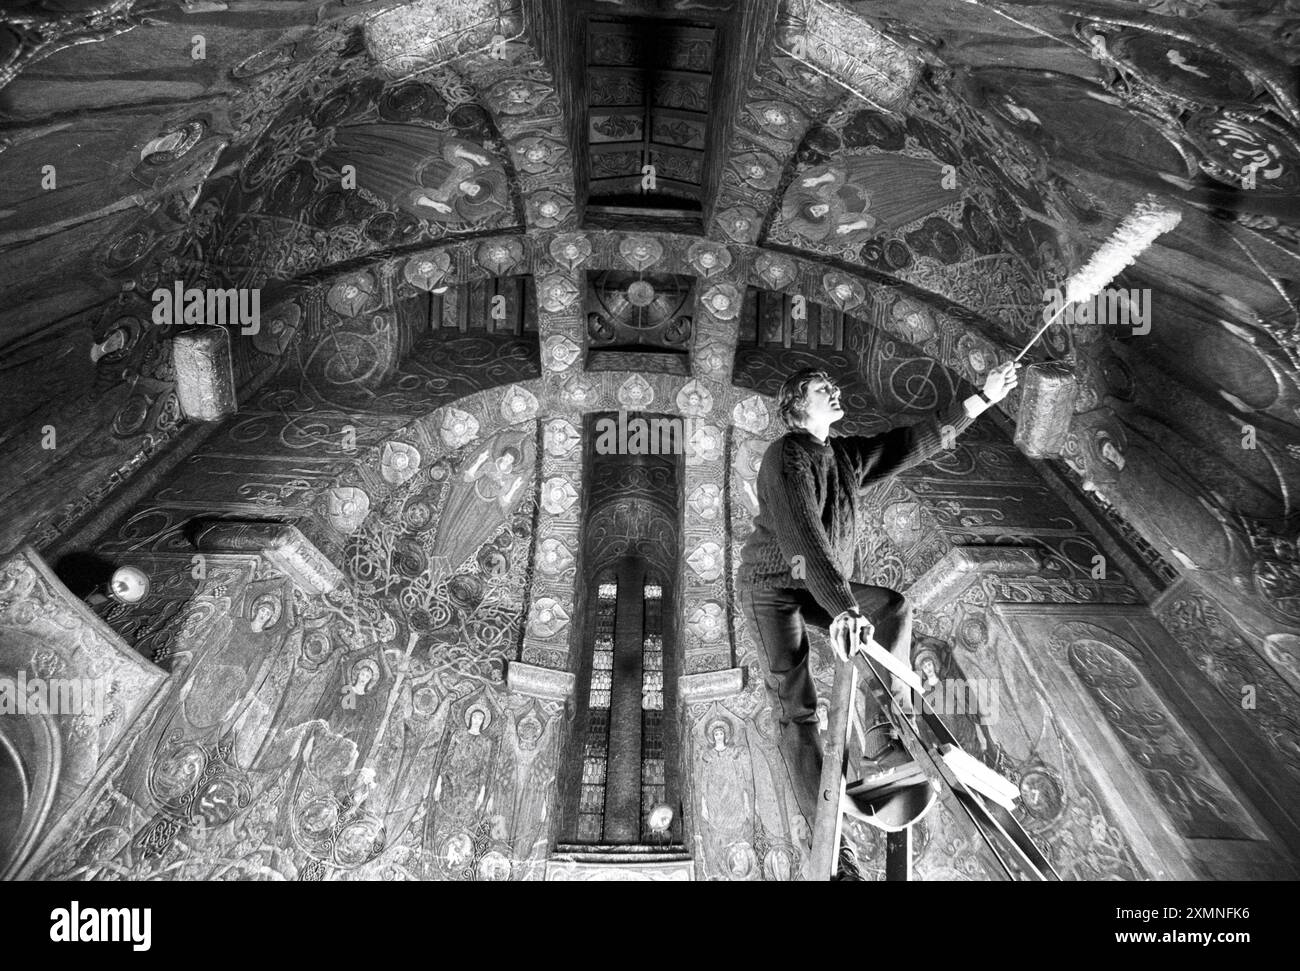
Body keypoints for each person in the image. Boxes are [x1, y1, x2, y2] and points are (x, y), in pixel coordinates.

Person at [738, 363, 1019, 826]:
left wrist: (982, 399)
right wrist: (844, 609)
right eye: (820, 387)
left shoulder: (845, 455)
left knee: (891, 607)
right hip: (770, 586)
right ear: (796, 406)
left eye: (832, 384)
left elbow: (911, 444)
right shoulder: (785, 455)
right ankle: (827, 836)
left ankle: (882, 738)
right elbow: (803, 539)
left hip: (814, 583)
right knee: (797, 707)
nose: (833, 389)